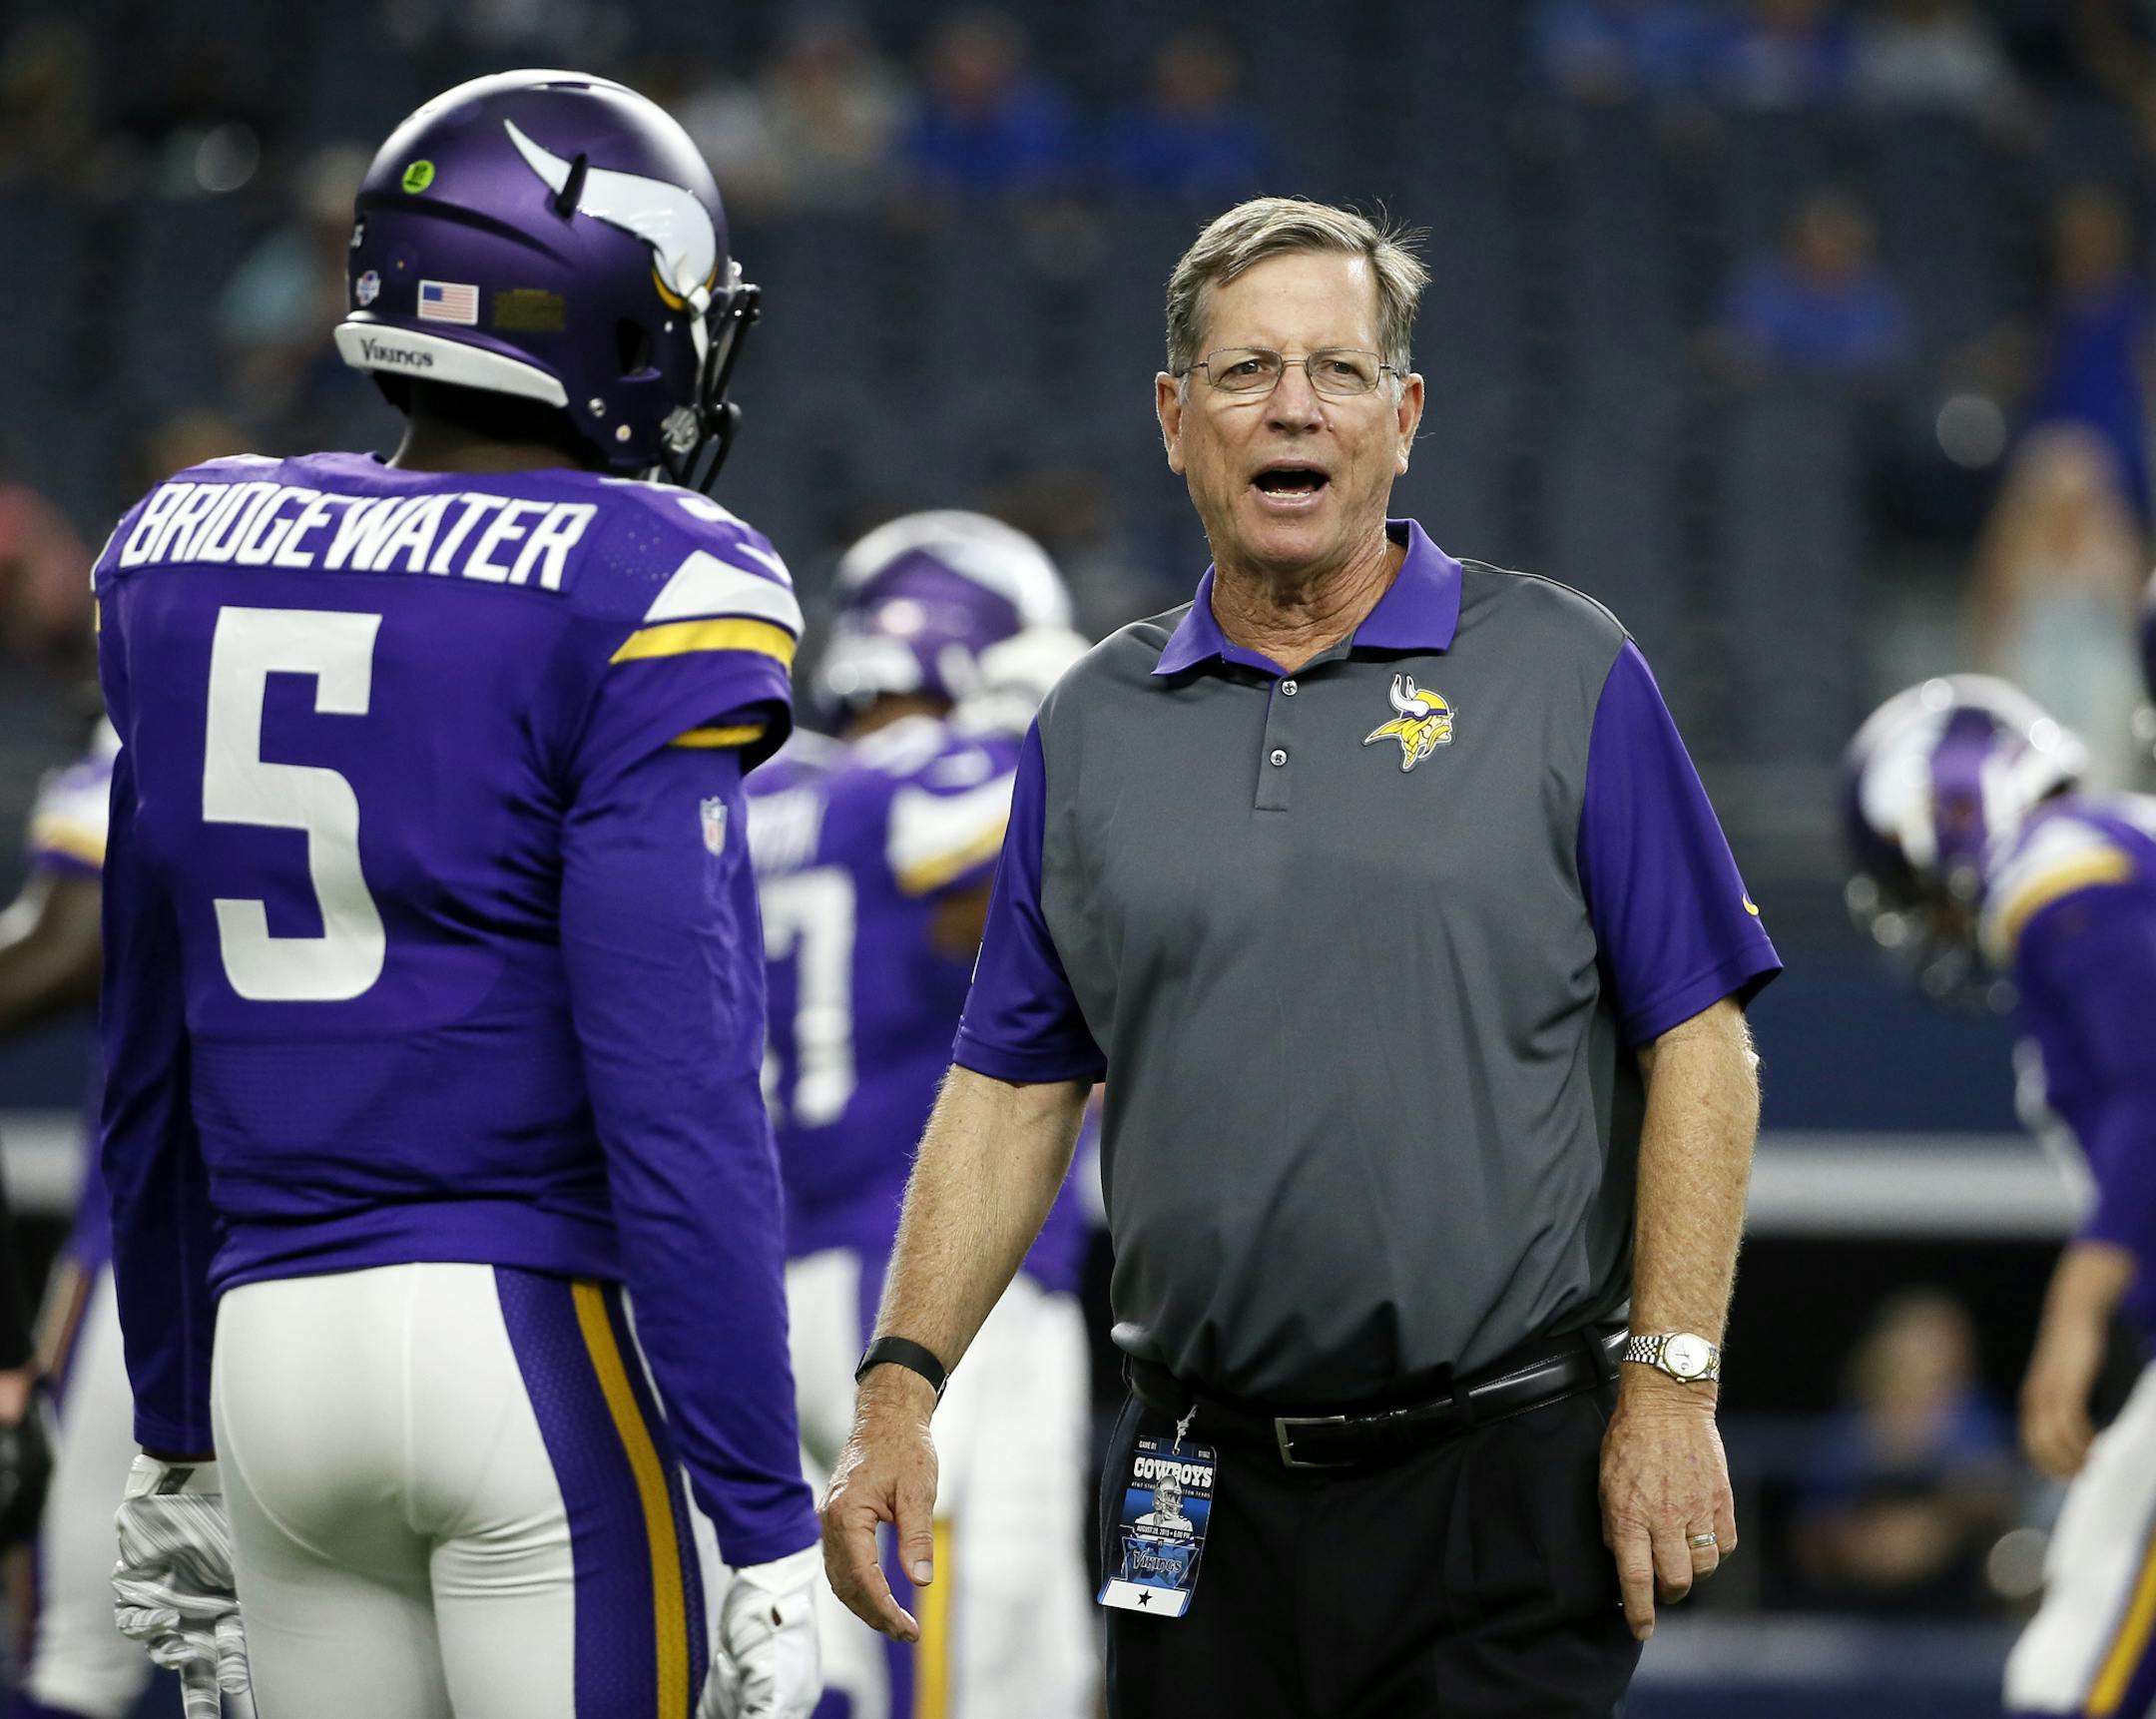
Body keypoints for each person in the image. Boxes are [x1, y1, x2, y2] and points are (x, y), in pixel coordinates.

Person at [820, 196, 1781, 1719]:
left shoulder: (1565, 667)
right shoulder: (1088, 722)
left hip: (1500, 1470)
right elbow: (1010, 1084)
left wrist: (1673, 1381)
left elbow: (1701, 1042)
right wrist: (899, 1388)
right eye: (1245, 371)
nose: (1293, 408)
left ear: (1402, 419)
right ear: (1173, 417)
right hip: (1190, 1481)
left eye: (1337, 372)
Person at [93, 70, 819, 1719]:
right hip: (521, 1335)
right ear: (606, 310)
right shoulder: (647, 574)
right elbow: (679, 1088)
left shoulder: (187, 551)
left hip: (270, 1348)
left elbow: (151, 1067)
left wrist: (174, 1419)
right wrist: (764, 1512)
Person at [747, 510, 1094, 1719]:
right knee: (958, 1626)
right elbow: (1045, 838)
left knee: (820, 1643)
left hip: (770, 1272)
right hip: (936, 1284)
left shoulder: (768, 797)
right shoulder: (946, 786)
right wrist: (1059, 720)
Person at [1843, 675, 2156, 1713]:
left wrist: (2077, 1312)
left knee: (2074, 1665)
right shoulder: (2117, 852)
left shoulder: (2057, 874)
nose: (1935, 914)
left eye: (1915, 881)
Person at [1, 716, 158, 1719]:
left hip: (155, 1250)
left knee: (75, 1657)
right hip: (433, 1249)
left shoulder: (172, 668)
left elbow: (78, 936)